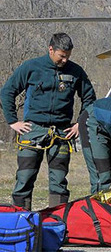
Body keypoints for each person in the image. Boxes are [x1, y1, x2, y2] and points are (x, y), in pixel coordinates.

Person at [0, 33, 96, 210]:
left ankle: (56, 223)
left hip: (61, 133)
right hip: (32, 131)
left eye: (68, 56)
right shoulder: (31, 67)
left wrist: (79, 124)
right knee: (24, 179)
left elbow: (89, 98)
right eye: (62, 55)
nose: (65, 60)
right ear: (51, 50)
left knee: (59, 182)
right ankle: (21, 222)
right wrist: (13, 121)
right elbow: (7, 92)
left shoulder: (76, 71)